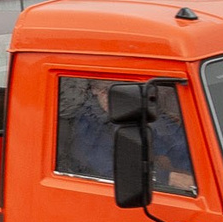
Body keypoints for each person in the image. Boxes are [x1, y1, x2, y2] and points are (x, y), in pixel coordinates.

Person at [59, 78, 196, 194]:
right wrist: (167, 178)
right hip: (107, 193)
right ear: (94, 90)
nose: (109, 97)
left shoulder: (139, 110)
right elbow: (107, 170)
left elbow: (174, 144)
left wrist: (194, 168)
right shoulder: (89, 123)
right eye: (104, 91)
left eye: (116, 91)